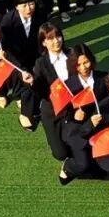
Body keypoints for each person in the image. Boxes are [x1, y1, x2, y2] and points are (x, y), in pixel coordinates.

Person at [0, 0, 43, 131]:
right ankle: (6, 94)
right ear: (16, 6)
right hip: (14, 59)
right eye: (24, 5)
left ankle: (25, 111)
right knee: (23, 78)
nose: (29, 9)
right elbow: (7, 49)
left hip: (34, 57)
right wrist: (21, 69)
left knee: (35, 80)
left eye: (31, 4)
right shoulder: (8, 21)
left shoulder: (41, 16)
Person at [61, 43, 107, 183]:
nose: (83, 67)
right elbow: (64, 112)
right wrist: (74, 116)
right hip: (78, 130)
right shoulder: (68, 85)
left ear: (91, 60)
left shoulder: (104, 78)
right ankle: (68, 166)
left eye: (86, 62)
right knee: (83, 165)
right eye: (78, 64)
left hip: (100, 127)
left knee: (104, 168)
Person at [32, 22, 73, 163]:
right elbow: (40, 90)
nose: (56, 41)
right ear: (43, 42)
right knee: (60, 154)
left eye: (58, 36)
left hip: (73, 109)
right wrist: (32, 83)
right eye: (50, 38)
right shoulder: (40, 63)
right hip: (52, 112)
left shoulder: (72, 55)